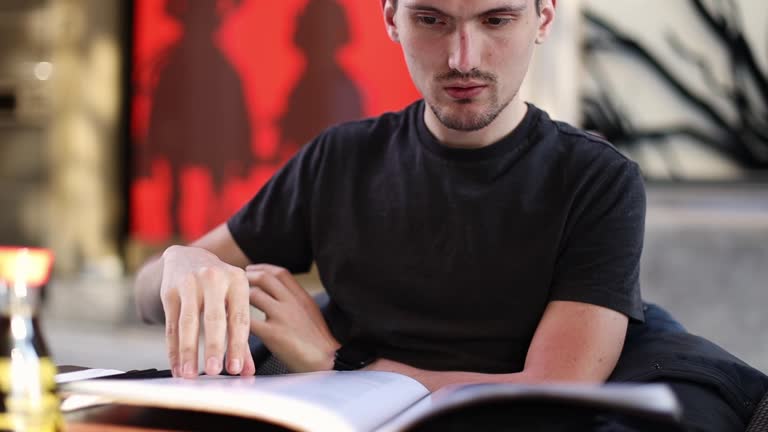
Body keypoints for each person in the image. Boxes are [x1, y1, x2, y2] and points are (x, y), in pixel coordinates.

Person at [135, 1, 767, 431]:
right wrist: (181, 263)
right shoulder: (343, 158)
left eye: (496, 19)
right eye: (432, 19)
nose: (464, 56)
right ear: (390, 16)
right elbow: (145, 296)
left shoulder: (597, 180)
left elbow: (550, 394)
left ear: (544, 16)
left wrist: (336, 364)